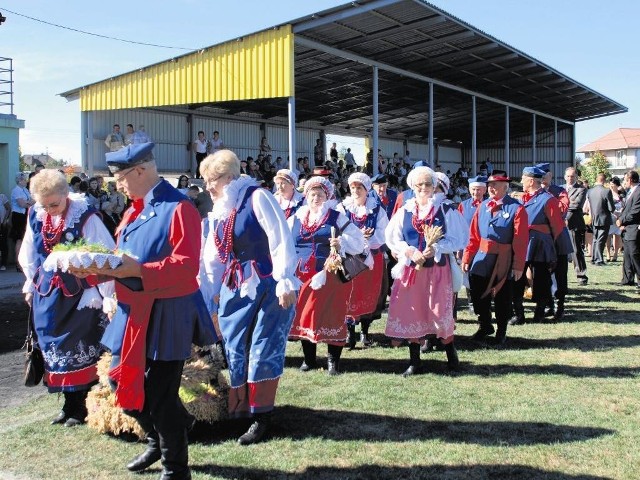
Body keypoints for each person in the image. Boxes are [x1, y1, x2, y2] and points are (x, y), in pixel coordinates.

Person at [92, 142, 217, 479]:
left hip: (168, 313)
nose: (117, 184)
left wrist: (138, 270)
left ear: (141, 170)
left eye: (120, 177)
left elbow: (185, 265)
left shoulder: (179, 208)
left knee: (161, 397)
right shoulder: (134, 209)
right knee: (122, 383)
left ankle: (175, 467)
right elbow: (123, 258)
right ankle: (158, 435)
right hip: (134, 313)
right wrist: (94, 269)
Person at [199, 150, 300, 445]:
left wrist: (285, 280)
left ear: (229, 177)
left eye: (211, 180)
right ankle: (240, 410)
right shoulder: (220, 208)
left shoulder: (257, 197)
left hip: (267, 285)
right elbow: (213, 256)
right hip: (234, 286)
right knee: (234, 345)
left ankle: (261, 416)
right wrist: (212, 293)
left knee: (262, 346)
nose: (208, 187)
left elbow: (280, 237)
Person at [18, 169, 116, 427]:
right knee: (54, 345)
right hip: (48, 294)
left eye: (55, 204)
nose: (49, 209)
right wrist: (31, 282)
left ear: (66, 194)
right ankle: (67, 403)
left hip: (80, 295)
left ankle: (81, 405)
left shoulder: (86, 217)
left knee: (79, 343)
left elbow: (104, 255)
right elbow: (29, 251)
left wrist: (105, 295)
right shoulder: (35, 216)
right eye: (44, 204)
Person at [385, 166, 468, 375]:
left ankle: (450, 352)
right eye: (419, 184)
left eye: (428, 184)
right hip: (412, 271)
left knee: (439, 312)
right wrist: (409, 251)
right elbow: (393, 237)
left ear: (434, 186)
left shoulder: (446, 209)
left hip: (437, 271)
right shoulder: (405, 210)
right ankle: (415, 361)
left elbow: (460, 238)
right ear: (413, 186)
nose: (423, 188)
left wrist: (436, 248)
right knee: (413, 312)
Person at [288, 176, 366, 375]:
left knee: (332, 314)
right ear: (306, 196)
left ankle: (333, 361)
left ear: (327, 196)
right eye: (312, 194)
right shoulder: (296, 217)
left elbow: (358, 242)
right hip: (302, 275)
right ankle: (309, 358)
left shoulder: (336, 216)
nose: (316, 198)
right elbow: (284, 242)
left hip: (329, 272)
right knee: (304, 315)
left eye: (320, 194)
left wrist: (341, 243)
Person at [461, 170, 527, 344]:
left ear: (505, 188)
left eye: (494, 185)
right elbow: (473, 235)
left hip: (503, 258)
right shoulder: (483, 206)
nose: (490, 189)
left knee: (502, 296)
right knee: (477, 291)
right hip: (482, 257)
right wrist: (467, 257)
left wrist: (518, 265)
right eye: (489, 185)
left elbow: (520, 240)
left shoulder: (516, 208)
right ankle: (485, 325)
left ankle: (501, 330)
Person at [337, 172, 389, 348]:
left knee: (370, 293)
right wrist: (354, 241)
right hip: (350, 258)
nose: (356, 190)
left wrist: (367, 241)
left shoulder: (377, 209)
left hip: (372, 258)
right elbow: (336, 230)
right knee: (349, 294)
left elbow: (384, 233)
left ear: (367, 190)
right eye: (353, 187)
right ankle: (349, 333)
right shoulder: (343, 208)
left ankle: (365, 332)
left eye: (359, 187)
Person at [511, 166, 565, 324]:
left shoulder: (548, 199)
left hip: (540, 243)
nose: (521, 181)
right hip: (522, 241)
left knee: (542, 278)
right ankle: (518, 313)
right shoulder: (523, 198)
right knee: (517, 276)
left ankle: (540, 311)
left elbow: (557, 226)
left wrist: (550, 244)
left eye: (523, 178)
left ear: (531, 181)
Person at [457, 175, 488, 313]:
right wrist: (459, 248)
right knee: (468, 274)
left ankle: (485, 300)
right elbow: (458, 227)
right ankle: (471, 302)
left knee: (484, 275)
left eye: (479, 190)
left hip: (485, 246)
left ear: (484, 190)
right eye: (474, 190)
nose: (476, 192)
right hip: (468, 246)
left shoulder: (489, 204)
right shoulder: (463, 206)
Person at [563, 167, 588, 286]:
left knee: (577, 250)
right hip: (560, 224)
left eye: (572, 176)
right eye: (568, 176)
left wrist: (563, 215)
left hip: (574, 224)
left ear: (576, 177)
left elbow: (576, 205)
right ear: (564, 176)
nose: (569, 178)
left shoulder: (582, 189)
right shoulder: (560, 189)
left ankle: (581, 276)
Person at [616, 170, 640, 287]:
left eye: (625, 180)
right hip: (627, 228)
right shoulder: (630, 191)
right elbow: (626, 209)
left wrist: (621, 220)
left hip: (634, 227)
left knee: (635, 254)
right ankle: (627, 279)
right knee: (627, 255)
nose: (623, 182)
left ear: (630, 180)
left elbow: (635, 211)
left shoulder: (638, 192)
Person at [586, 173, 615, 266]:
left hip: (594, 218)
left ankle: (594, 258)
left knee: (595, 239)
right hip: (604, 218)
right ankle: (598, 260)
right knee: (601, 239)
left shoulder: (590, 191)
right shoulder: (606, 191)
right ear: (604, 180)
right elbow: (611, 208)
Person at [11, 173, 36, 270]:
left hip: (25, 214)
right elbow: (22, 204)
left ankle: (24, 261)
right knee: (19, 239)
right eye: (24, 179)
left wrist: (28, 202)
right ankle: (18, 263)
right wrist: (29, 202)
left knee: (26, 238)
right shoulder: (16, 190)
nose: (26, 181)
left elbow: (33, 201)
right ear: (19, 180)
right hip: (18, 216)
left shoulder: (25, 190)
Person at [607, 177, 624, 262]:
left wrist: (621, 212)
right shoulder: (608, 194)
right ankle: (608, 253)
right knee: (608, 236)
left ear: (617, 185)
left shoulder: (621, 196)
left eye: (613, 184)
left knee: (617, 236)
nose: (611, 186)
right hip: (609, 218)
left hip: (618, 219)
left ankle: (616, 253)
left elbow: (624, 206)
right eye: (610, 184)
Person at [0, 191, 9, 270]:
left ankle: (3, 264)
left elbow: (8, 208)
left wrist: (5, 220)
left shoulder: (2, 196)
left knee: (3, 244)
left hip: (2, 224)